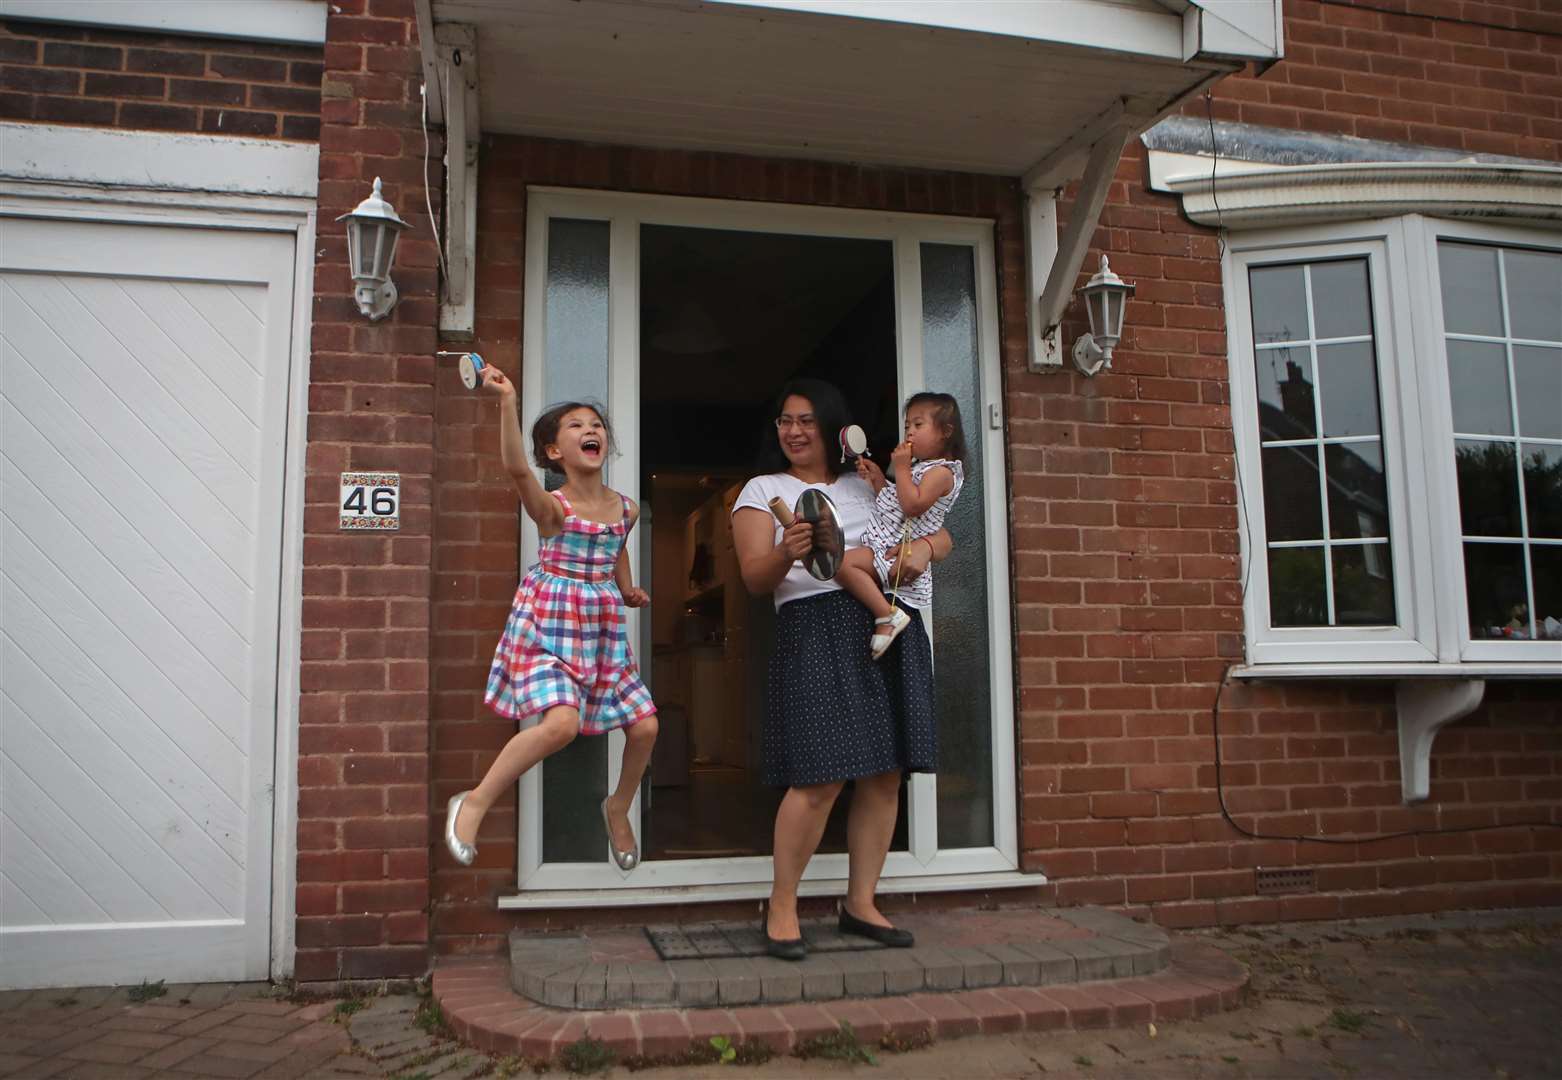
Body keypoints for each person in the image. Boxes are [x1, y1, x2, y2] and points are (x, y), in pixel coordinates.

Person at [731, 378, 952, 961]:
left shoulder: (867, 483)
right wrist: (790, 549)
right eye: (784, 420)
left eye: (805, 420)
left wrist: (926, 551)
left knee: (884, 773)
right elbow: (756, 579)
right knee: (821, 775)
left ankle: (861, 904)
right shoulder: (762, 489)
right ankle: (782, 905)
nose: (794, 431)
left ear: (832, 427)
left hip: (889, 619)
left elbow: (937, 530)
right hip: (815, 628)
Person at [443, 367, 658, 872]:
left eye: (597, 425)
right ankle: (473, 801)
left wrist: (625, 588)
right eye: (576, 426)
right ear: (554, 452)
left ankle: (617, 805)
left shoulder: (624, 509)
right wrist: (507, 401)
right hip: (549, 622)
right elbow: (518, 472)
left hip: (601, 631)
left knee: (646, 728)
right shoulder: (553, 509)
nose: (592, 430)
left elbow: (616, 547)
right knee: (561, 724)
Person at [834, 393, 965, 659]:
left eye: (918, 425)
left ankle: (886, 614)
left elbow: (912, 506)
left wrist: (902, 467)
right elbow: (897, 502)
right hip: (890, 543)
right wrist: (879, 479)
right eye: (907, 427)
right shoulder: (922, 469)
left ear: (946, 432)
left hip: (896, 550)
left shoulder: (943, 472)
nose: (910, 433)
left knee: (841, 563)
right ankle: (885, 613)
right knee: (843, 564)